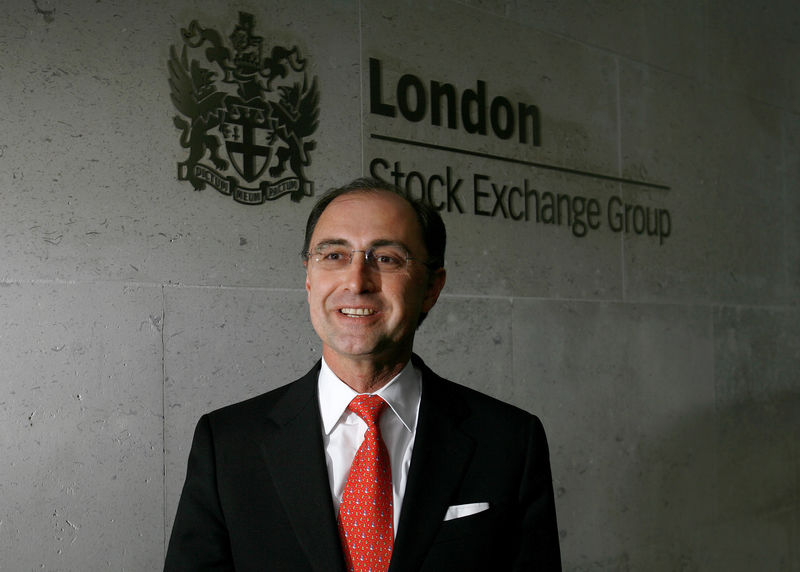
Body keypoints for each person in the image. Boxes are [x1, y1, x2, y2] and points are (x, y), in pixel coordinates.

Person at [164, 177, 561, 571]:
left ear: (431, 288)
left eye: (386, 258)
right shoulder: (228, 444)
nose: (356, 282)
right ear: (308, 277)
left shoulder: (510, 441)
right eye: (334, 256)